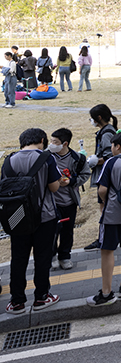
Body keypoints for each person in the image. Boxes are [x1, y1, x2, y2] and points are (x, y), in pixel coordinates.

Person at [4, 127, 62, 314]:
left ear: (22, 142)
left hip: (17, 217)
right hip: (44, 216)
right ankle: (42, 297)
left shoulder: (9, 160)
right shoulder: (47, 158)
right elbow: (54, 187)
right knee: (42, 257)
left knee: (18, 258)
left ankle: (17, 302)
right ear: (43, 141)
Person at [85, 130, 121, 307]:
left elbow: (102, 190)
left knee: (107, 250)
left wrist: (105, 201)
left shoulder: (111, 162)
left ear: (117, 146)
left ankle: (106, 292)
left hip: (113, 215)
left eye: (112, 145)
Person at [49, 127, 91, 271]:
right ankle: (52, 256)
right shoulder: (46, 156)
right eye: (51, 141)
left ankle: (64, 257)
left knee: (67, 231)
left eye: (55, 142)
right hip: (51, 203)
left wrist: (71, 181)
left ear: (65, 143)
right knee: (50, 231)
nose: (51, 144)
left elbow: (85, 174)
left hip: (69, 202)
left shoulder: (77, 159)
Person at [83, 103, 119, 251]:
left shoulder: (106, 134)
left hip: (106, 176)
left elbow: (109, 156)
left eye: (92, 118)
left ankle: (103, 239)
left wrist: (93, 162)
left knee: (105, 209)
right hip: (109, 175)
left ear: (98, 118)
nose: (91, 121)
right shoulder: (107, 131)